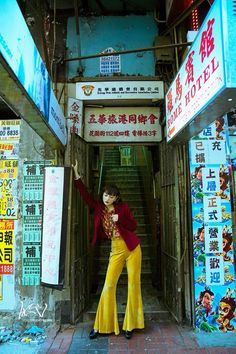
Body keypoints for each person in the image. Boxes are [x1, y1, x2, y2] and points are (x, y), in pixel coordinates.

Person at [72, 160, 144, 340]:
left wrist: (121, 219)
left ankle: (131, 325)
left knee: (133, 285)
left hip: (133, 248)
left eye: (111, 196)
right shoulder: (98, 208)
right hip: (116, 248)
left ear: (116, 198)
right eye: (106, 195)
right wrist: (76, 173)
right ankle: (101, 326)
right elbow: (85, 195)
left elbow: (133, 226)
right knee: (108, 285)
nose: (107, 198)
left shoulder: (124, 208)